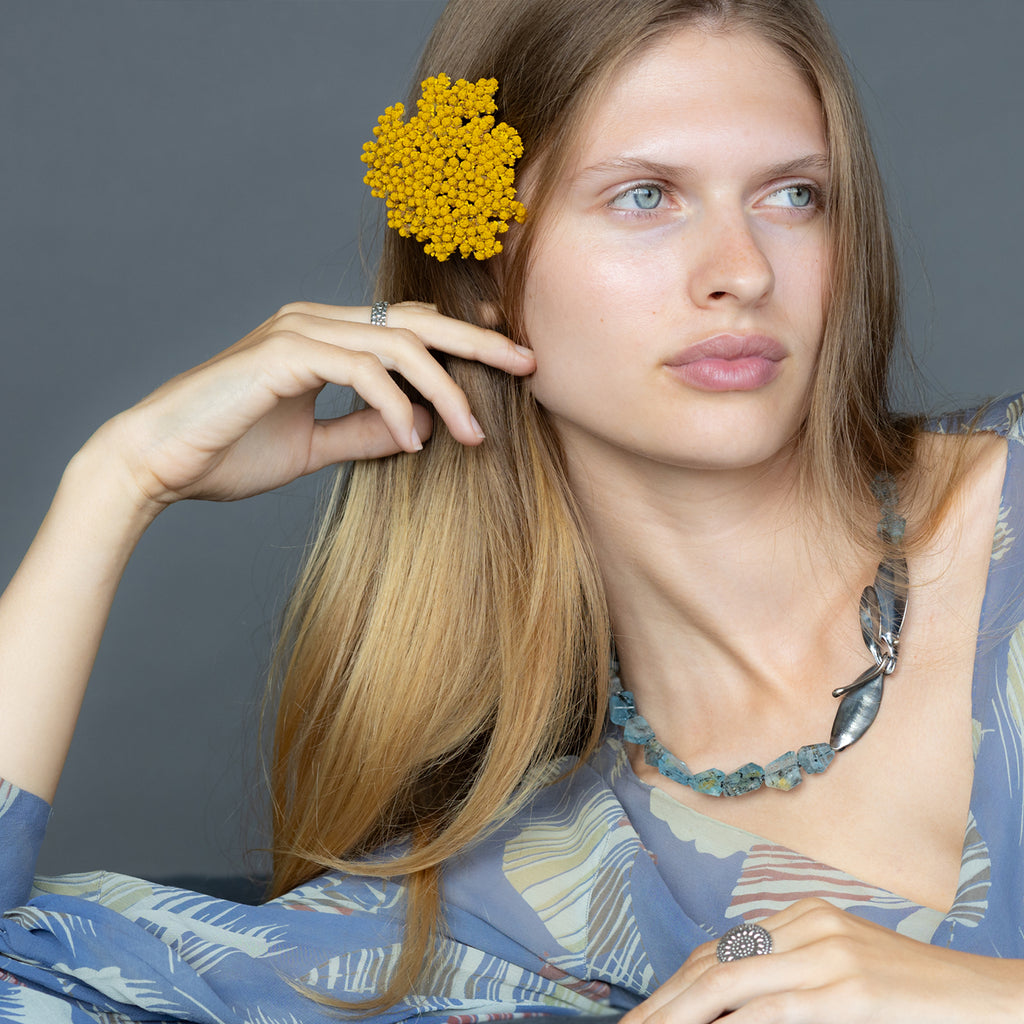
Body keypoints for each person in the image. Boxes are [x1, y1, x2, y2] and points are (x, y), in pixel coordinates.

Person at [1, 0, 1023, 1020]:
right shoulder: (509, 906)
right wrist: (118, 481)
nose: (742, 271)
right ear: (484, 272)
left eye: (794, 195)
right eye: (643, 197)